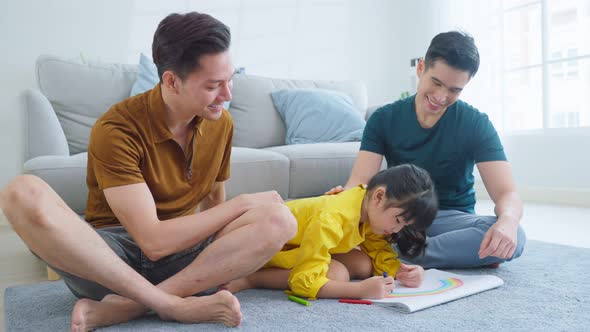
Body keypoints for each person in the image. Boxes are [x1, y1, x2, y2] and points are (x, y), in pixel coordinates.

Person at [0, 12, 297, 330]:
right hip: (111, 263)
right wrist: (243, 203)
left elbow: (213, 207)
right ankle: (171, 305)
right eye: (214, 85)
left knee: (280, 219)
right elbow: (153, 242)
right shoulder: (116, 129)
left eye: (230, 80)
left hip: (185, 263)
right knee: (20, 192)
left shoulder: (220, 122)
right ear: (171, 81)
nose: (228, 95)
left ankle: (128, 309)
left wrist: (235, 234)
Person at [328, 31, 526, 268]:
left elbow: (506, 193)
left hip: (450, 219)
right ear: (421, 68)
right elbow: (361, 181)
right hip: (399, 218)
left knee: (515, 236)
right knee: (365, 224)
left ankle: (388, 257)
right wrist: (343, 203)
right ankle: (455, 255)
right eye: (436, 82)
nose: (441, 97)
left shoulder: (476, 123)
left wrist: (508, 222)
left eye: (454, 90)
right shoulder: (384, 119)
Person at [222, 164, 438, 300]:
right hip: (268, 248)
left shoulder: (367, 204)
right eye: (398, 220)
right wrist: (360, 291)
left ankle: (254, 276)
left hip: (302, 244)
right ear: (379, 196)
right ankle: (252, 279)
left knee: (364, 263)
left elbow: (376, 246)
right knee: (338, 275)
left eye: (403, 225)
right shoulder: (333, 216)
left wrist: (399, 270)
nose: (396, 230)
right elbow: (304, 280)